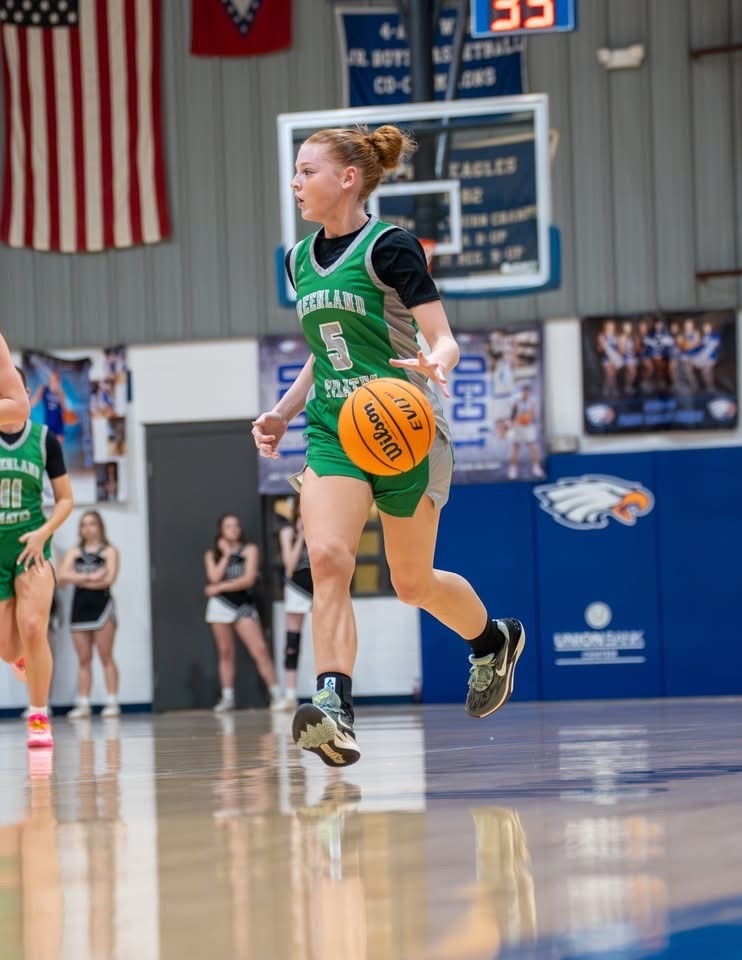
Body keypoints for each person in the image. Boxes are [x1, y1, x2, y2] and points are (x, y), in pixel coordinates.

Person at [252, 124, 524, 768]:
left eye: (307, 170)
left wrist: (437, 362)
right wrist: (284, 412)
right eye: (296, 171)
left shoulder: (391, 247)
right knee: (326, 558)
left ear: (347, 178)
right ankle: (335, 706)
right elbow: (326, 354)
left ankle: (491, 641)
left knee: (410, 583)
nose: (295, 182)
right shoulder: (297, 260)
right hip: (335, 431)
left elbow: (443, 336)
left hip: (404, 431)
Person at [0, 367, 74, 749]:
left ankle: (39, 715)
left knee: (33, 627)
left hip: (32, 545)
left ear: (25, 394)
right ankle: (21, 659)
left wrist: (45, 532)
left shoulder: (44, 440)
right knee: (9, 648)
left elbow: (65, 499)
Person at [204, 513, 283, 712]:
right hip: (220, 606)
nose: (233, 529)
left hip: (242, 604)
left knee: (260, 649)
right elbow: (213, 577)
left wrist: (220, 587)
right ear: (221, 530)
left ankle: (276, 694)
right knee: (225, 652)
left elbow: (247, 580)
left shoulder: (249, 550)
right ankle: (228, 696)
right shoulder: (212, 554)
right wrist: (227, 556)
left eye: (236, 525)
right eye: (228, 526)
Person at [58, 510, 121, 718]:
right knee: (83, 659)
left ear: (100, 526)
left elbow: (108, 579)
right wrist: (91, 576)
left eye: (92, 523)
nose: (88, 528)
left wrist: (79, 577)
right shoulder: (74, 551)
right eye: (84, 524)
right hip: (80, 609)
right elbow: (62, 576)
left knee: (106, 656)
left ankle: (112, 700)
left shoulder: (109, 551)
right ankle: (83, 703)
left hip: (102, 608)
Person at [277, 496, 313, 710]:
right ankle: (290, 695)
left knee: (325, 639)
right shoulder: (287, 532)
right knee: (292, 641)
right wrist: (301, 535)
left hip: (320, 586)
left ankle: (328, 692)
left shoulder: (323, 527)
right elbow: (289, 567)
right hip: (296, 587)